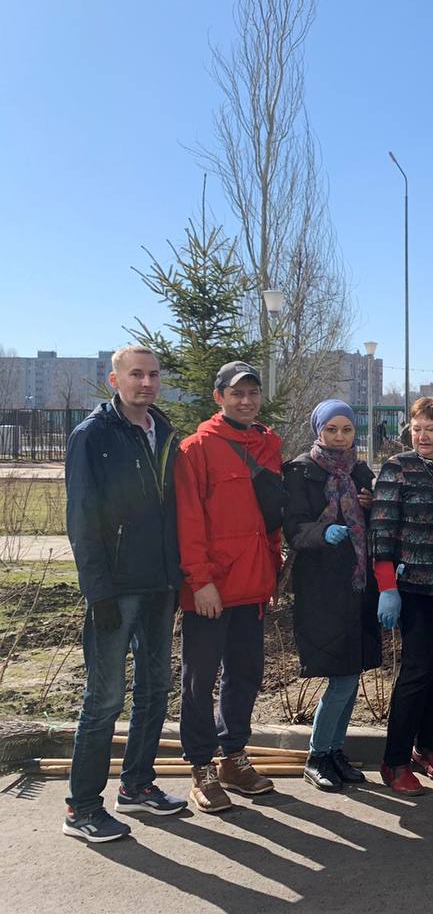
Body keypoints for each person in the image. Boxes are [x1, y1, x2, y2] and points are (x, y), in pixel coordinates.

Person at [61, 345, 186, 842]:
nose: (146, 383)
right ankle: (81, 808)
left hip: (160, 584)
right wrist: (98, 592)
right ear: (115, 380)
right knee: (104, 699)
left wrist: (177, 576)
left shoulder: (164, 432)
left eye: (153, 374)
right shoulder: (93, 435)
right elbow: (81, 519)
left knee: (155, 689)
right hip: (116, 589)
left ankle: (136, 785)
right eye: (136, 374)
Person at [175, 360, 283, 813]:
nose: (246, 400)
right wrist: (200, 582)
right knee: (200, 680)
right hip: (211, 591)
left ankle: (233, 757)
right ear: (219, 397)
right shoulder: (196, 449)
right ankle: (201, 767)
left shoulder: (268, 446)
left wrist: (273, 568)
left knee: (245, 674)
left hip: (253, 584)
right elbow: (188, 522)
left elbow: (271, 516)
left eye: (252, 392)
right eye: (236, 393)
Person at [371, 397, 433, 795]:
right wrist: (387, 587)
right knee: (417, 669)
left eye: (431, 428)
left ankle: (424, 746)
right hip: (413, 588)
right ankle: (393, 760)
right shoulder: (399, 468)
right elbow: (382, 528)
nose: (422, 436)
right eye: (416, 429)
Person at [283, 399, 380, 793]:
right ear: (318, 430)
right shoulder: (301, 471)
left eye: (347, 429)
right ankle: (317, 755)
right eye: (331, 429)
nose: (340, 437)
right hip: (321, 586)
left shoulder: (360, 471)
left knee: (351, 675)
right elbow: (292, 528)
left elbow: (375, 523)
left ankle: (335, 751)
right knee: (341, 677)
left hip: (357, 585)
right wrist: (322, 532)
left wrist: (369, 508)